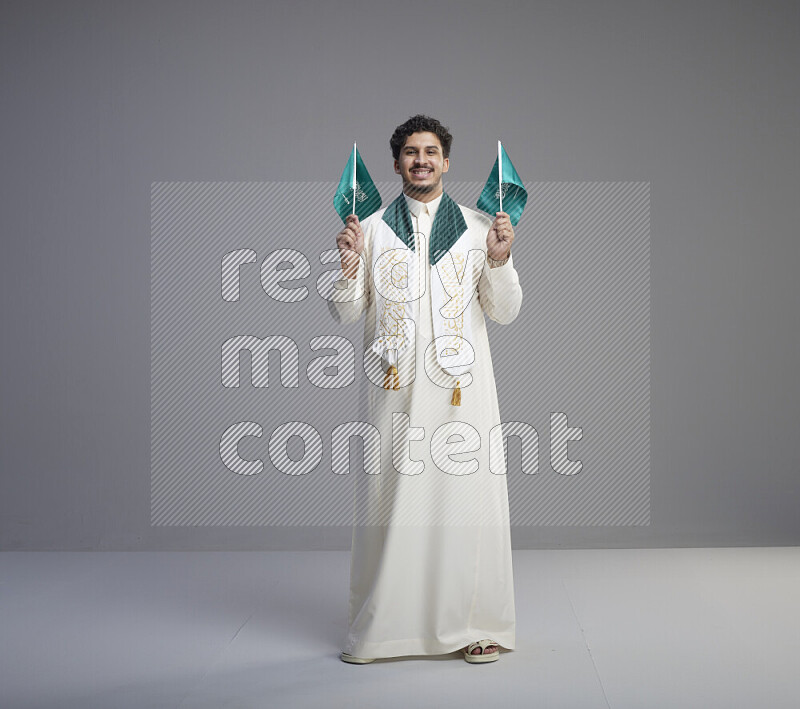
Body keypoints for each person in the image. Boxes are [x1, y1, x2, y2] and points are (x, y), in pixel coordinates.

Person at [328, 115, 522, 664]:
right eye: (411, 152)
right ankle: (386, 627)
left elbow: (504, 312)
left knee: (467, 505)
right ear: (396, 164)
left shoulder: (479, 225)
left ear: (446, 161)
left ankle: (476, 625)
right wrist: (346, 268)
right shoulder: (369, 228)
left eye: (431, 151)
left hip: (463, 394)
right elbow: (345, 313)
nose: (421, 160)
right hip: (395, 392)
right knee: (391, 508)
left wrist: (502, 259)